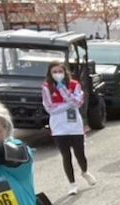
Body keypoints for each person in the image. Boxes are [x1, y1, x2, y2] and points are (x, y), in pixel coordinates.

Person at [40, 62, 94, 195]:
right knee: (66, 155)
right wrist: (68, 104)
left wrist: (64, 92)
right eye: (54, 72)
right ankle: (72, 184)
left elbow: (78, 102)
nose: (57, 74)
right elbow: (49, 108)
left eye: (60, 71)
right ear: (50, 73)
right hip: (58, 127)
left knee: (80, 153)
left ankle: (84, 171)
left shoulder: (74, 84)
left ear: (65, 72)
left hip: (74, 125)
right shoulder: (47, 87)